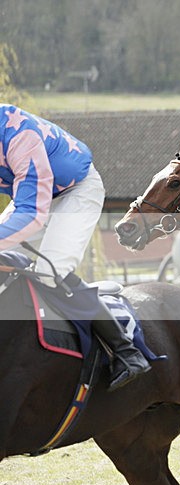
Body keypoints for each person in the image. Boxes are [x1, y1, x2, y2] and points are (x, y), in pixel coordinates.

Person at [0, 104, 151, 389]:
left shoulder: (18, 134)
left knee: (50, 271)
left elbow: (32, 214)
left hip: (75, 191)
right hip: (33, 197)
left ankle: (126, 351)